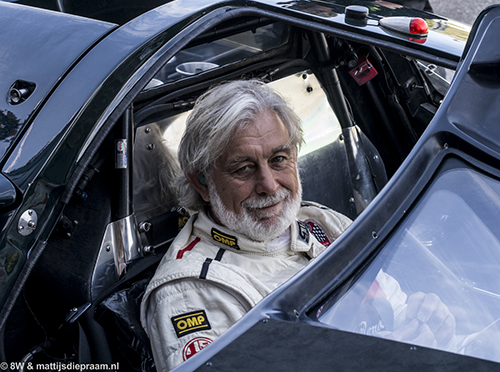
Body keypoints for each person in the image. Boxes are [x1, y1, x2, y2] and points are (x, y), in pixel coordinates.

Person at [140, 80, 454, 371]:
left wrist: (429, 323)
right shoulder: (192, 290)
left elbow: (394, 311)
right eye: (244, 169)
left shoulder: (322, 223)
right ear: (203, 183)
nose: (269, 185)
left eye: (278, 159)